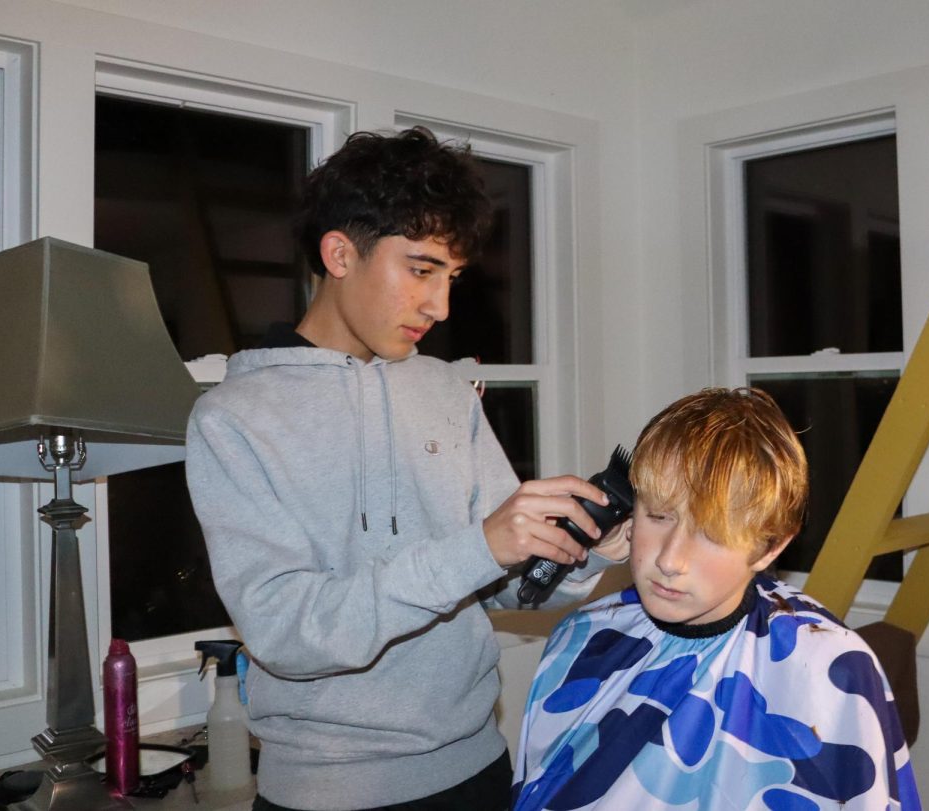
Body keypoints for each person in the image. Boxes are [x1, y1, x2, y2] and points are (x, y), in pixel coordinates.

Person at [185, 127, 628, 811]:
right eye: (421, 270)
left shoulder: (448, 391)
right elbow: (286, 632)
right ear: (339, 252)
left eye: (451, 278)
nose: (441, 306)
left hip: (479, 767)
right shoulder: (233, 418)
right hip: (325, 794)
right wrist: (480, 544)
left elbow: (505, 589)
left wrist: (584, 548)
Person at [512, 387, 921, 811]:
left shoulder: (828, 665)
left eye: (711, 534)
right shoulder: (583, 638)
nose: (670, 560)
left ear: (769, 547)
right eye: (658, 516)